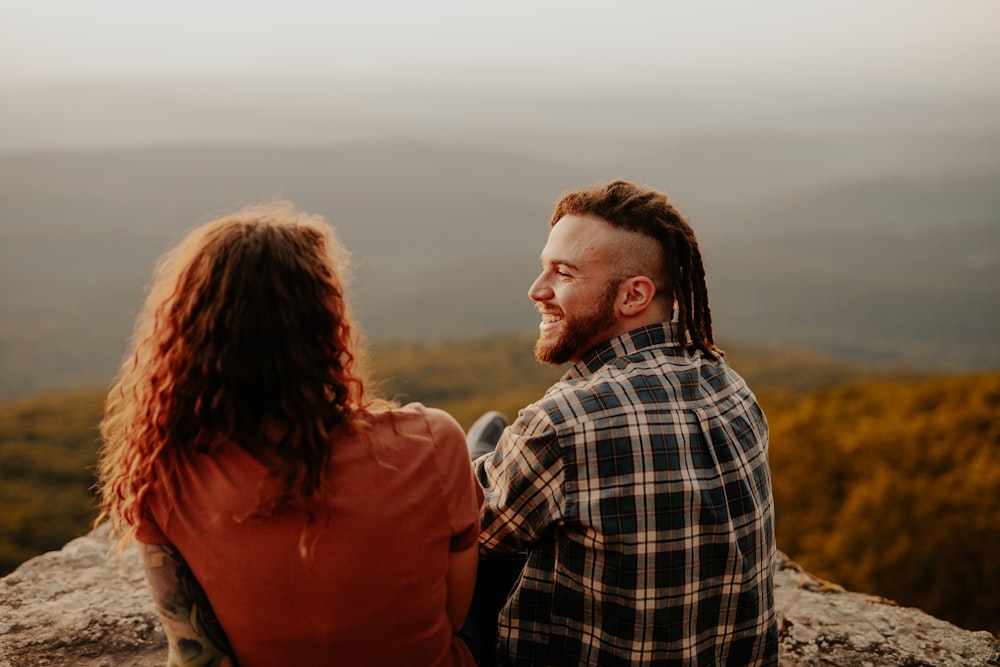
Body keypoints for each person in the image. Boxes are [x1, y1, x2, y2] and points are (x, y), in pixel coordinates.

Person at [94, 202, 485, 667]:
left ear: (189, 336)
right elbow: (455, 614)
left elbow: (194, 655)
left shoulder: (165, 470)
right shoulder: (431, 439)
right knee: (484, 438)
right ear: (326, 326)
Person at [469, 180, 778, 666]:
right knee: (503, 461)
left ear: (634, 295)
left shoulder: (563, 422)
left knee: (468, 479)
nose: (536, 290)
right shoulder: (732, 385)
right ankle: (484, 455)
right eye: (542, 266)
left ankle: (476, 456)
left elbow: (458, 537)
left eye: (563, 273)